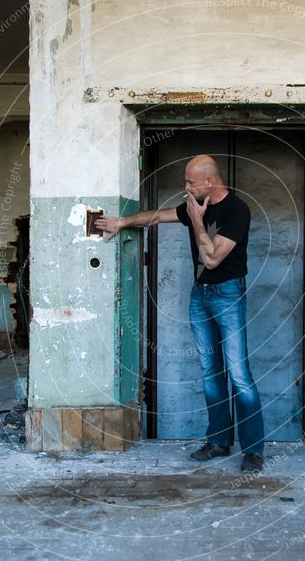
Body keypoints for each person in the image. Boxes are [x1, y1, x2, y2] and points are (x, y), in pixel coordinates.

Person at [95, 154, 265, 473]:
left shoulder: (237, 210)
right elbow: (157, 217)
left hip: (228, 294)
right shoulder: (192, 205)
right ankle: (219, 441)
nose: (185, 187)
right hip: (200, 295)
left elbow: (213, 258)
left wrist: (198, 219)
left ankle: (254, 450)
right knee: (210, 372)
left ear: (209, 181)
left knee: (239, 373)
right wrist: (122, 222)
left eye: (190, 182)